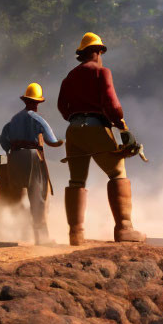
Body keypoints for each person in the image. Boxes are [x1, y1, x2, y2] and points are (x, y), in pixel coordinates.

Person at [57, 32, 145, 245]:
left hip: (74, 130)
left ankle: (75, 234)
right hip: (96, 127)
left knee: (76, 180)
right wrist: (121, 125)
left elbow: (61, 106)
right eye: (100, 52)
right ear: (97, 52)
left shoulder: (69, 77)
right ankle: (124, 228)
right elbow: (111, 103)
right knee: (117, 172)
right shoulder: (101, 72)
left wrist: (74, 118)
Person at [0, 83, 64, 245]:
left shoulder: (14, 119)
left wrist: (11, 150)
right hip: (32, 157)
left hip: (14, 158)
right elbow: (52, 140)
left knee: (15, 196)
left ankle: (12, 234)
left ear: (25, 100)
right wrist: (61, 143)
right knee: (39, 196)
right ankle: (41, 238)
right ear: (36, 103)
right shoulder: (36, 118)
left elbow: (2, 138)